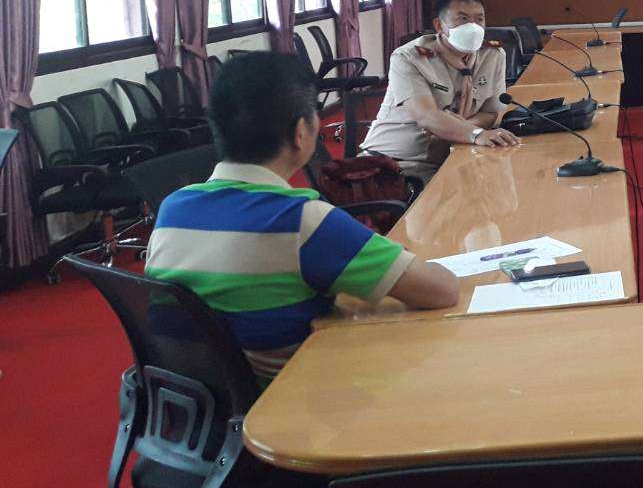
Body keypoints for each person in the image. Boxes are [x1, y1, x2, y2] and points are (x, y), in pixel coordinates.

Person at [146, 53, 458, 381]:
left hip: (200, 399)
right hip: (292, 395)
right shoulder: (302, 219)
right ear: (300, 132)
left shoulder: (173, 207)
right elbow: (441, 291)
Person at [359, 0, 520, 178]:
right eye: (462, 19)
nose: (473, 26)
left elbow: (490, 112)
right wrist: (475, 133)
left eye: (479, 19)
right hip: (397, 161)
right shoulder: (409, 57)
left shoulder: (493, 55)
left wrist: (464, 129)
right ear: (439, 25)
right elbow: (426, 115)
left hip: (455, 152)